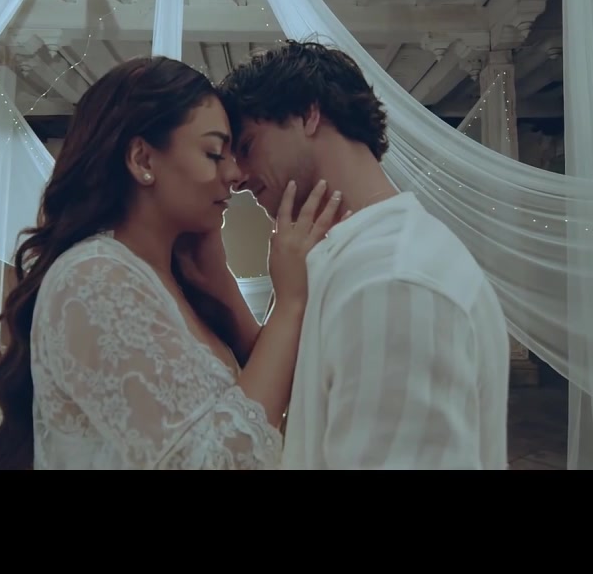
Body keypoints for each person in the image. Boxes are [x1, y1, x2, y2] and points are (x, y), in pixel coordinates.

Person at [0, 55, 343, 470]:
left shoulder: (166, 278)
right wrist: (290, 301)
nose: (236, 174)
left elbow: (259, 396)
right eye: (214, 153)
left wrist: (224, 289)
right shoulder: (94, 278)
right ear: (143, 160)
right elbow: (210, 463)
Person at [216, 39, 511, 469]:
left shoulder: (392, 279)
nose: (237, 177)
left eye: (246, 146)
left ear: (308, 114)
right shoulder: (360, 260)